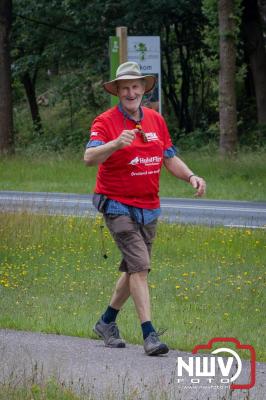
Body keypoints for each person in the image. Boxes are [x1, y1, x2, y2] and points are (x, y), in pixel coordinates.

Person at [84, 61, 206, 356]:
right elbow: (89, 156)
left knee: (133, 268)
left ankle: (106, 322)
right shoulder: (105, 122)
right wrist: (114, 143)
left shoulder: (155, 120)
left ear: (143, 89)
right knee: (140, 266)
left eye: (135, 86)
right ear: (117, 91)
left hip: (149, 207)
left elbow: (169, 157)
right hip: (116, 203)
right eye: (124, 88)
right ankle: (149, 334)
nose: (130, 92)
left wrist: (191, 176)